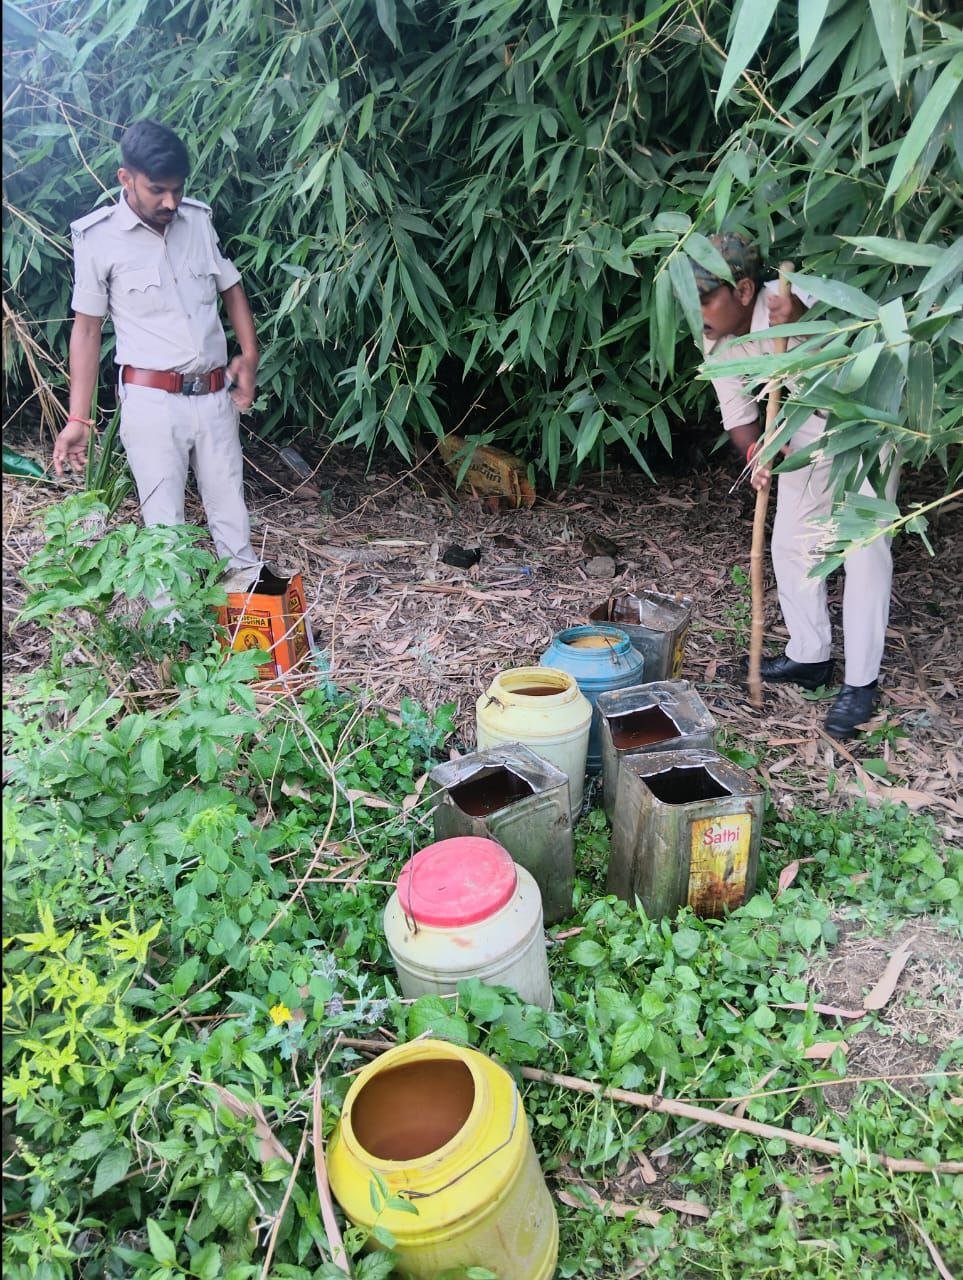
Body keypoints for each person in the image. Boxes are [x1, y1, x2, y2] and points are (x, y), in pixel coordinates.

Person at [693, 233, 897, 740]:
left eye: (703, 298)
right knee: (791, 543)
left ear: (743, 290)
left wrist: (803, 326)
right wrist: (756, 452)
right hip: (802, 433)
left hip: (865, 419)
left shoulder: (795, 301)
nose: (695, 311)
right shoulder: (715, 337)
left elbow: (863, 351)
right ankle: (810, 656)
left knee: (862, 550)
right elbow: (738, 414)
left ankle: (860, 682)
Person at [52, 118, 263, 596]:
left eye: (176, 189)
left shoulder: (197, 219)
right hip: (151, 403)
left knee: (233, 518)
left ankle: (250, 627)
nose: (169, 202)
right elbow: (86, 331)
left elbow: (231, 287)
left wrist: (248, 356)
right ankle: (172, 637)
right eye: (157, 190)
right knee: (164, 532)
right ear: (126, 178)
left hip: (213, 397)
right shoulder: (97, 238)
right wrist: (79, 417)